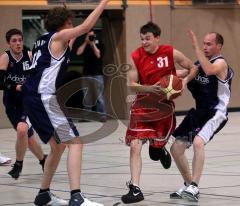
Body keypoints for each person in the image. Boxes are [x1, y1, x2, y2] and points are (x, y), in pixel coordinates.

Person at [22, 1, 109, 206]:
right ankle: (76, 196)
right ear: (66, 23)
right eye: (70, 21)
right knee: (75, 143)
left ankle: (43, 194)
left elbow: (73, 38)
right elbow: (85, 28)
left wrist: (62, 11)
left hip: (32, 97)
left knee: (58, 146)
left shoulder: (42, 40)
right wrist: (103, 3)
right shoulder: (59, 37)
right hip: (44, 97)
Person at [121, 22, 197, 204]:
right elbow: (131, 85)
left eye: (147, 38)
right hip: (142, 106)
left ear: (156, 38)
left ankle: (159, 150)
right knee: (135, 145)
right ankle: (135, 188)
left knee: (154, 153)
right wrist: (149, 88)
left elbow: (193, 67)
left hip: (164, 109)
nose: (144, 42)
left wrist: (182, 81)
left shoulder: (171, 52)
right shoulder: (135, 56)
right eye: (142, 39)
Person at [170, 31, 233, 202]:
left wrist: (196, 47)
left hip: (216, 112)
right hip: (200, 112)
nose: (205, 47)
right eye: (203, 44)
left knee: (198, 142)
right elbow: (183, 72)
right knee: (176, 148)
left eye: (209, 44)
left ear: (219, 46)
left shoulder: (220, 63)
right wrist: (159, 74)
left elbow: (209, 69)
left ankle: (195, 188)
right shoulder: (198, 64)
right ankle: (188, 184)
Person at [0, 28, 47, 179]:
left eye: (20, 40)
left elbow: (39, 76)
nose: (18, 43)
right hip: (11, 103)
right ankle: (43, 160)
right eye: (14, 41)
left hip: (27, 101)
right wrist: (16, 87)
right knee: (28, 136)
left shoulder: (29, 56)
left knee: (22, 130)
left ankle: (18, 164)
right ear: (9, 43)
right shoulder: (5, 58)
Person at [76, 30, 106, 122]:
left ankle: (102, 116)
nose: (90, 37)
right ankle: (86, 116)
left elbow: (98, 55)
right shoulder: (84, 44)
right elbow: (78, 53)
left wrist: (93, 44)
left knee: (99, 96)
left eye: (92, 36)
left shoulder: (99, 43)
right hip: (86, 74)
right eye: (89, 36)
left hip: (97, 74)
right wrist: (86, 42)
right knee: (86, 97)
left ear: (95, 36)